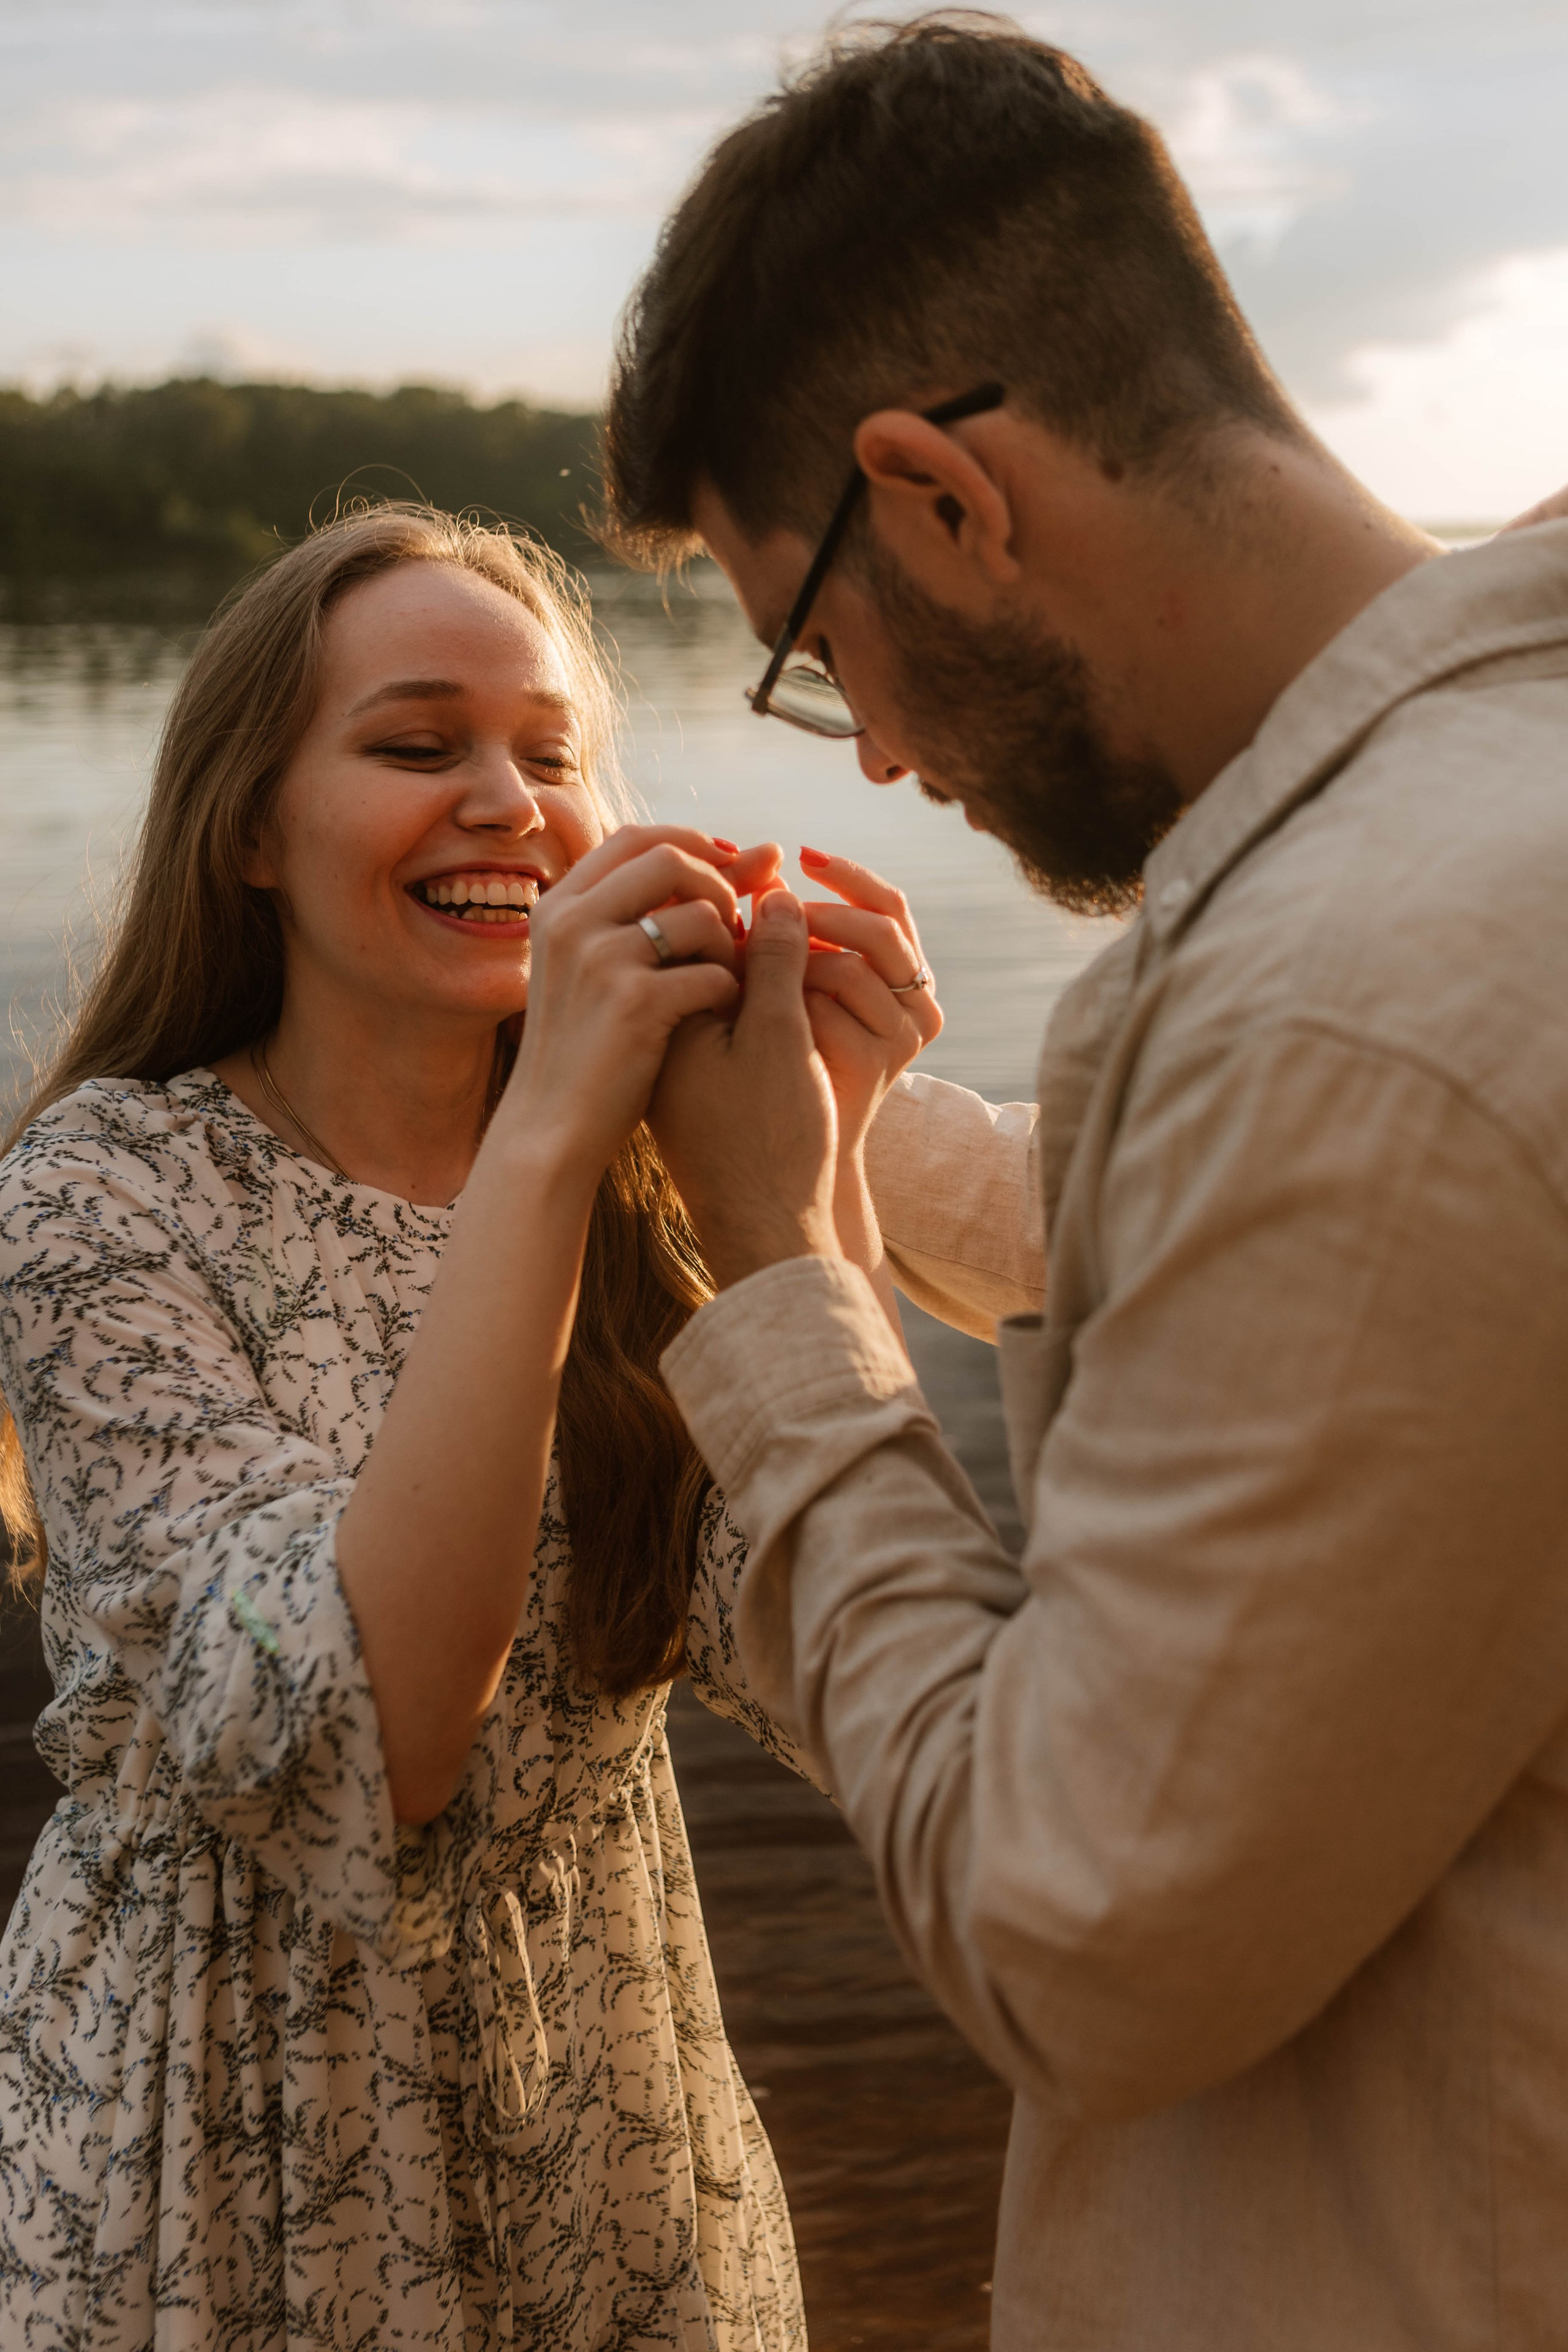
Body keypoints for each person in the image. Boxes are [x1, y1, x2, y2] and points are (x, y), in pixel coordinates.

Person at [600, 15, 1568, 2348]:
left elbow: (1073, 1930)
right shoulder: (1492, 814)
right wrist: (859, 1139)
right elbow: (1371, 1315)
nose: (892, 755)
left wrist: (780, 1290)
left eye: (825, 656)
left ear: (942, 492)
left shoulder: (1349, 996)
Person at [0, 505, 938, 2351]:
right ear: (252, 828)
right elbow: (365, 1736)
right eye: (418, 747)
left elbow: (865, 1687)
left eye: (551, 753)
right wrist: (552, 1141)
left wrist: (811, 1192)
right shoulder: (98, 1200)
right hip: (226, 2157)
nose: (508, 800)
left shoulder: (650, 1193)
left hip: (609, 2119)